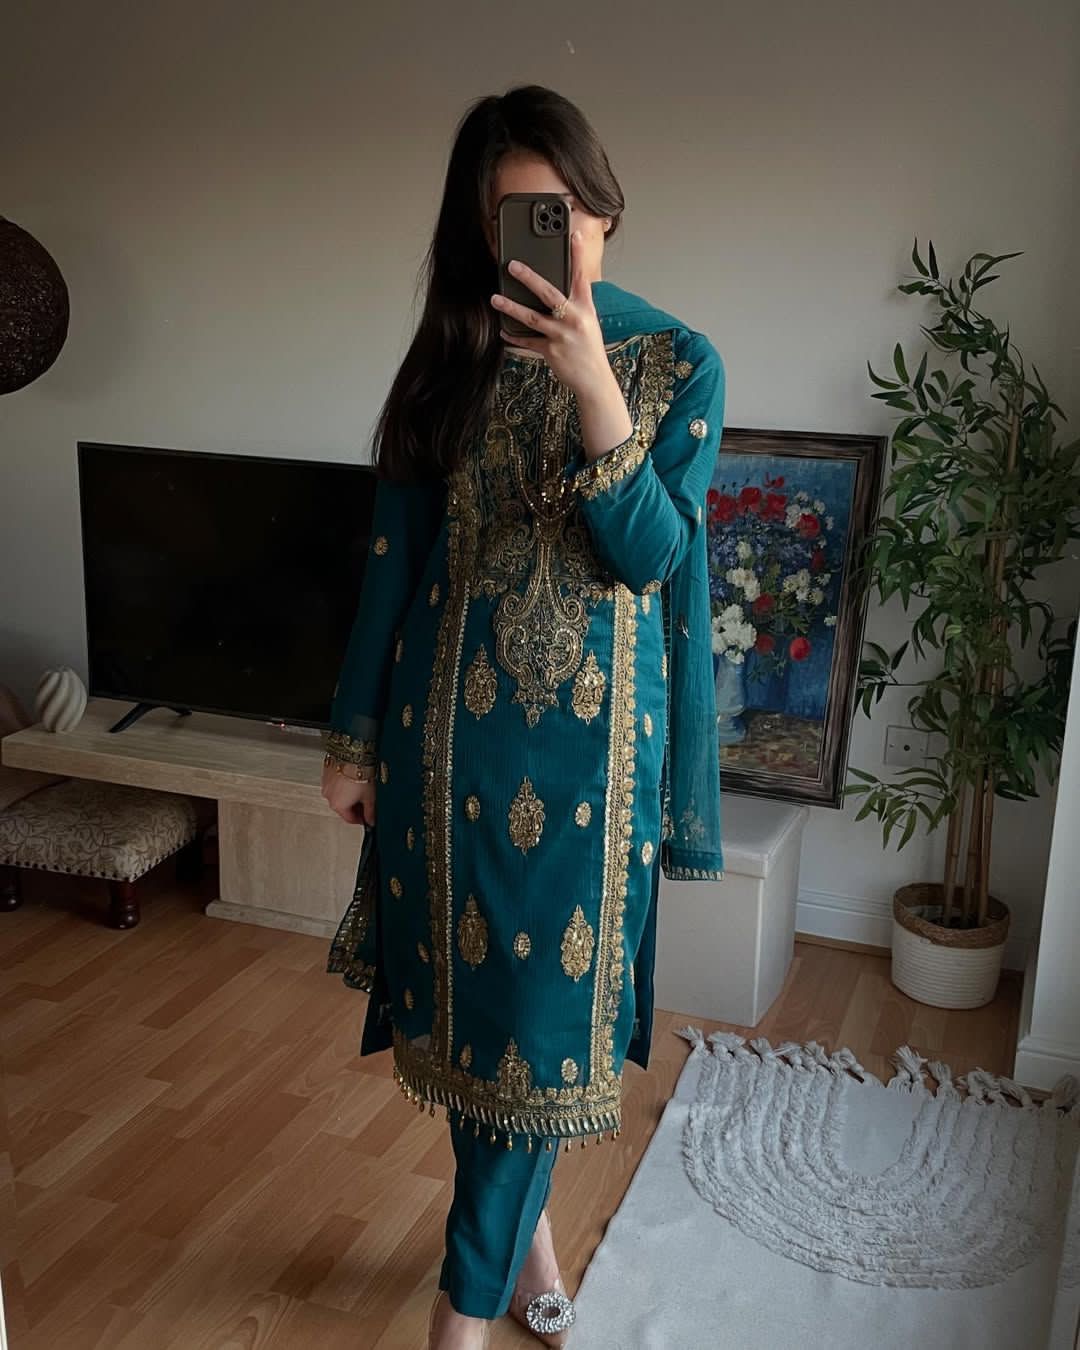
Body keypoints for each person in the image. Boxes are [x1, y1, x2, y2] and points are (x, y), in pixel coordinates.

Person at [320, 83, 726, 1350]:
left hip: (593, 772)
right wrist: (353, 738)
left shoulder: (678, 364)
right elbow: (392, 562)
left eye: (564, 211)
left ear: (604, 209)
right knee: (478, 1029)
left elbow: (650, 559)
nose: (550, 239)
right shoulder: (453, 357)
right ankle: (530, 1249)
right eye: (514, 218)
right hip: (446, 750)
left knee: (539, 1046)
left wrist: (595, 385)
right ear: (482, 233)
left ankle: (461, 1321)